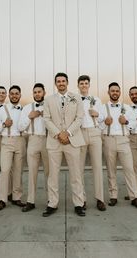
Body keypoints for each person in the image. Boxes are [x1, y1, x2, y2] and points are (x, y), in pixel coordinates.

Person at [42, 72, 85, 217]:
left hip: (72, 140)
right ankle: (52, 203)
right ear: (55, 84)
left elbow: (80, 118)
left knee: (76, 174)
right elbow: (46, 119)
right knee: (53, 175)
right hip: (54, 141)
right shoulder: (48, 100)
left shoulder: (76, 97)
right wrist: (58, 134)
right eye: (58, 81)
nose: (61, 83)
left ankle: (79, 203)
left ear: (67, 82)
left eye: (63, 81)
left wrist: (68, 133)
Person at [101, 82, 137, 208]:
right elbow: (98, 125)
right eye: (112, 91)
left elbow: (134, 124)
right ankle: (113, 196)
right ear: (108, 92)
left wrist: (126, 122)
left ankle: (134, 196)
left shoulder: (127, 107)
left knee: (129, 169)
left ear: (119, 92)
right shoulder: (103, 108)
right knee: (111, 169)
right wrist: (105, 123)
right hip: (108, 139)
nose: (115, 93)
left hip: (124, 140)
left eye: (117, 91)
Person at [0, 85, 26, 210]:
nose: (14, 95)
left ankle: (16, 197)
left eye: (17, 93)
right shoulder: (2, 110)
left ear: (20, 95)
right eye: (12, 94)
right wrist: (4, 124)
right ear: (9, 95)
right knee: (5, 171)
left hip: (21, 141)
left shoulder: (24, 110)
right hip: (6, 141)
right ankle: (2, 199)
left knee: (18, 170)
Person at [18, 83, 49, 212]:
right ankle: (31, 201)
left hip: (48, 141)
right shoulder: (26, 108)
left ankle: (51, 201)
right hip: (33, 140)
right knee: (32, 172)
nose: (37, 94)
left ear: (44, 92)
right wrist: (30, 117)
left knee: (49, 173)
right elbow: (20, 127)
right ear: (33, 94)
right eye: (35, 92)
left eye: (39, 92)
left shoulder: (50, 106)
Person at [77, 75, 106, 211]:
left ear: (89, 85)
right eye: (81, 83)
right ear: (78, 85)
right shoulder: (74, 100)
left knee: (97, 166)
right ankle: (81, 200)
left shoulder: (97, 100)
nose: (84, 85)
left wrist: (97, 114)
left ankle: (100, 199)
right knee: (79, 168)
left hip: (94, 132)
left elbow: (104, 118)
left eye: (86, 83)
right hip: (80, 133)